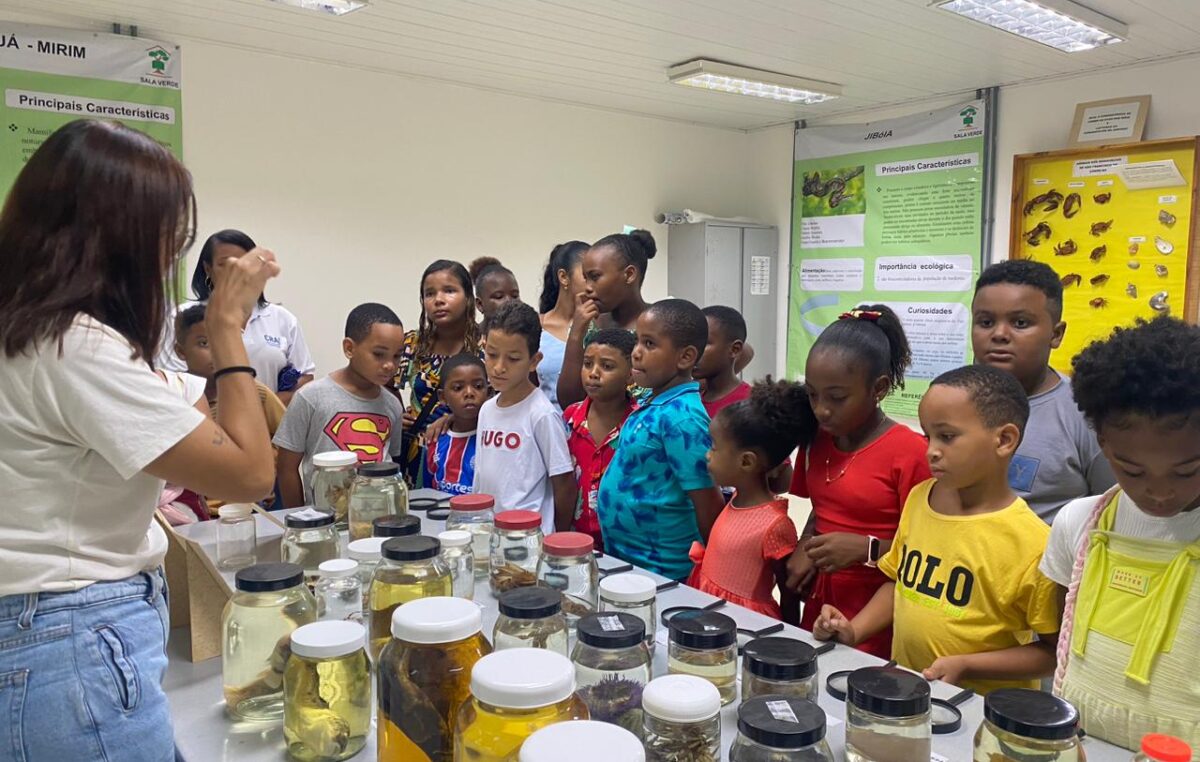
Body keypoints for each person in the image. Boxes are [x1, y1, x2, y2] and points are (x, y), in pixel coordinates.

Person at [0, 119, 279, 760]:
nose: (166, 259)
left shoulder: (30, 327)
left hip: (45, 629)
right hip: (70, 635)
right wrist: (228, 327)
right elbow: (247, 474)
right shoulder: (72, 343)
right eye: (164, 237)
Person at [814, 365, 1061, 695]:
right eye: (928, 436)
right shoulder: (920, 498)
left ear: (1004, 440)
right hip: (909, 692)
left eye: (947, 437)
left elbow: (1051, 653)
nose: (931, 450)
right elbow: (899, 583)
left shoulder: (1033, 543)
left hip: (977, 710)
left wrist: (967, 664)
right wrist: (853, 630)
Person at [1043, 317, 1200, 750]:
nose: (1160, 490)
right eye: (1132, 469)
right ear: (1101, 440)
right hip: (1080, 745)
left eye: (1187, 469)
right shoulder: (1079, 522)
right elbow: (1064, 638)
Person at [785, 306, 931, 659]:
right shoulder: (816, 439)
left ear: (878, 388)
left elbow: (930, 551)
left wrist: (866, 550)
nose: (821, 410)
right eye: (812, 395)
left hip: (881, 610)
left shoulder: (910, 452)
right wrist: (806, 543)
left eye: (836, 398)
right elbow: (819, 510)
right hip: (822, 603)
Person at [972, 259, 1115, 523]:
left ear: (1056, 334)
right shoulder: (955, 399)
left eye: (1021, 323)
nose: (999, 334)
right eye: (986, 322)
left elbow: (1112, 510)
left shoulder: (1087, 412)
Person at [597, 299, 726, 580]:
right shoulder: (652, 400)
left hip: (664, 570)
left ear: (685, 357)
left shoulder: (683, 419)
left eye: (650, 344)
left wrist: (712, 571)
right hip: (628, 560)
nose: (637, 353)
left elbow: (707, 500)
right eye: (637, 342)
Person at [689, 377, 817, 623]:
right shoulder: (736, 499)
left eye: (714, 448)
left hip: (745, 624)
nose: (707, 455)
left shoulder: (775, 525)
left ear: (746, 461)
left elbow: (788, 590)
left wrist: (792, 637)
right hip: (711, 611)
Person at [157, 228, 315, 404]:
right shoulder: (181, 316)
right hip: (200, 419)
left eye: (245, 265)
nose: (237, 272)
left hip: (269, 426)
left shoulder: (282, 318)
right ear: (208, 269)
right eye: (226, 264)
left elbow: (305, 376)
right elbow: (169, 380)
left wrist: (267, 406)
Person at [275, 303, 406, 507]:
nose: (390, 364)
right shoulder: (310, 397)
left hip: (379, 516)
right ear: (349, 348)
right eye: (379, 354)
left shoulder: (392, 405)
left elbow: (392, 465)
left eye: (397, 356)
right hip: (326, 519)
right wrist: (301, 520)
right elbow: (286, 469)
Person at [474, 301, 577, 533]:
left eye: (512, 359)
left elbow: (564, 484)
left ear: (534, 361)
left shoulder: (541, 414)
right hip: (490, 533)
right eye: (491, 354)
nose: (499, 367)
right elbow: (481, 479)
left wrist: (556, 538)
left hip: (529, 538)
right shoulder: (486, 410)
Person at [395, 259, 483, 484]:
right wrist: (397, 414)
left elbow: (500, 397)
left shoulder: (486, 346)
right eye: (430, 294)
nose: (439, 300)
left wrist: (456, 417)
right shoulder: (412, 343)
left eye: (450, 291)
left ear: (468, 298)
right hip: (417, 451)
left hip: (467, 447)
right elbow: (386, 384)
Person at [557, 230, 656, 407]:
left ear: (629, 274)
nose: (587, 288)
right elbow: (569, 401)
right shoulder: (590, 324)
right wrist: (576, 332)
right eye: (586, 278)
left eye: (595, 277)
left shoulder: (657, 326)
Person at [562, 328, 638, 551]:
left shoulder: (639, 424)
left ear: (631, 374)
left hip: (624, 544)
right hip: (576, 539)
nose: (593, 373)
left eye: (607, 366)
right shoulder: (568, 419)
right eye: (587, 364)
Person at [176, 304, 287, 441]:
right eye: (204, 343)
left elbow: (288, 438)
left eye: (222, 341)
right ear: (181, 351)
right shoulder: (173, 395)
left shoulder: (254, 392)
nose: (217, 350)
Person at [421, 353, 486, 496]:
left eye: (478, 386)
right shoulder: (435, 440)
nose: (469, 393)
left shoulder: (493, 440)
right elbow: (427, 491)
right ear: (443, 397)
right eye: (458, 388)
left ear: (489, 392)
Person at [538, 240, 590, 413]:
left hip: (587, 435)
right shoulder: (537, 326)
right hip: (545, 430)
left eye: (597, 276)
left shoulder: (600, 328)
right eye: (587, 275)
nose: (593, 284)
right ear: (563, 277)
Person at [695, 305, 751, 418]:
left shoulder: (749, 405)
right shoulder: (690, 398)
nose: (692, 351)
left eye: (705, 343)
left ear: (734, 349)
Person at [471, 256, 521, 330]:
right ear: (480, 304)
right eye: (499, 297)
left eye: (515, 296)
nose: (509, 301)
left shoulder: (530, 337)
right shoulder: (468, 339)